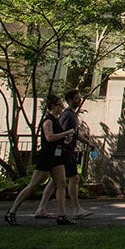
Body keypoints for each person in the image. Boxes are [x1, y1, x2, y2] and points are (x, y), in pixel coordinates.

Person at [5, 94, 77, 226]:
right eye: (60, 105)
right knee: (33, 185)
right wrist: (65, 133)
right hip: (46, 157)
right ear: (54, 106)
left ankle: (62, 215)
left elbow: (57, 137)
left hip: (57, 156)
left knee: (61, 184)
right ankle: (12, 211)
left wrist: (65, 138)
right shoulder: (48, 121)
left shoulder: (56, 120)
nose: (62, 108)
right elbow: (49, 137)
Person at [35, 88, 95, 219]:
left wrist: (87, 142)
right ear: (70, 100)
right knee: (73, 179)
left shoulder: (72, 114)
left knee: (54, 182)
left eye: (80, 98)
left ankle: (41, 208)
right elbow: (60, 132)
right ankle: (76, 209)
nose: (79, 100)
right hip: (65, 152)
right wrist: (63, 144)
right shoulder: (67, 115)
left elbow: (75, 133)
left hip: (67, 151)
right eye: (77, 98)